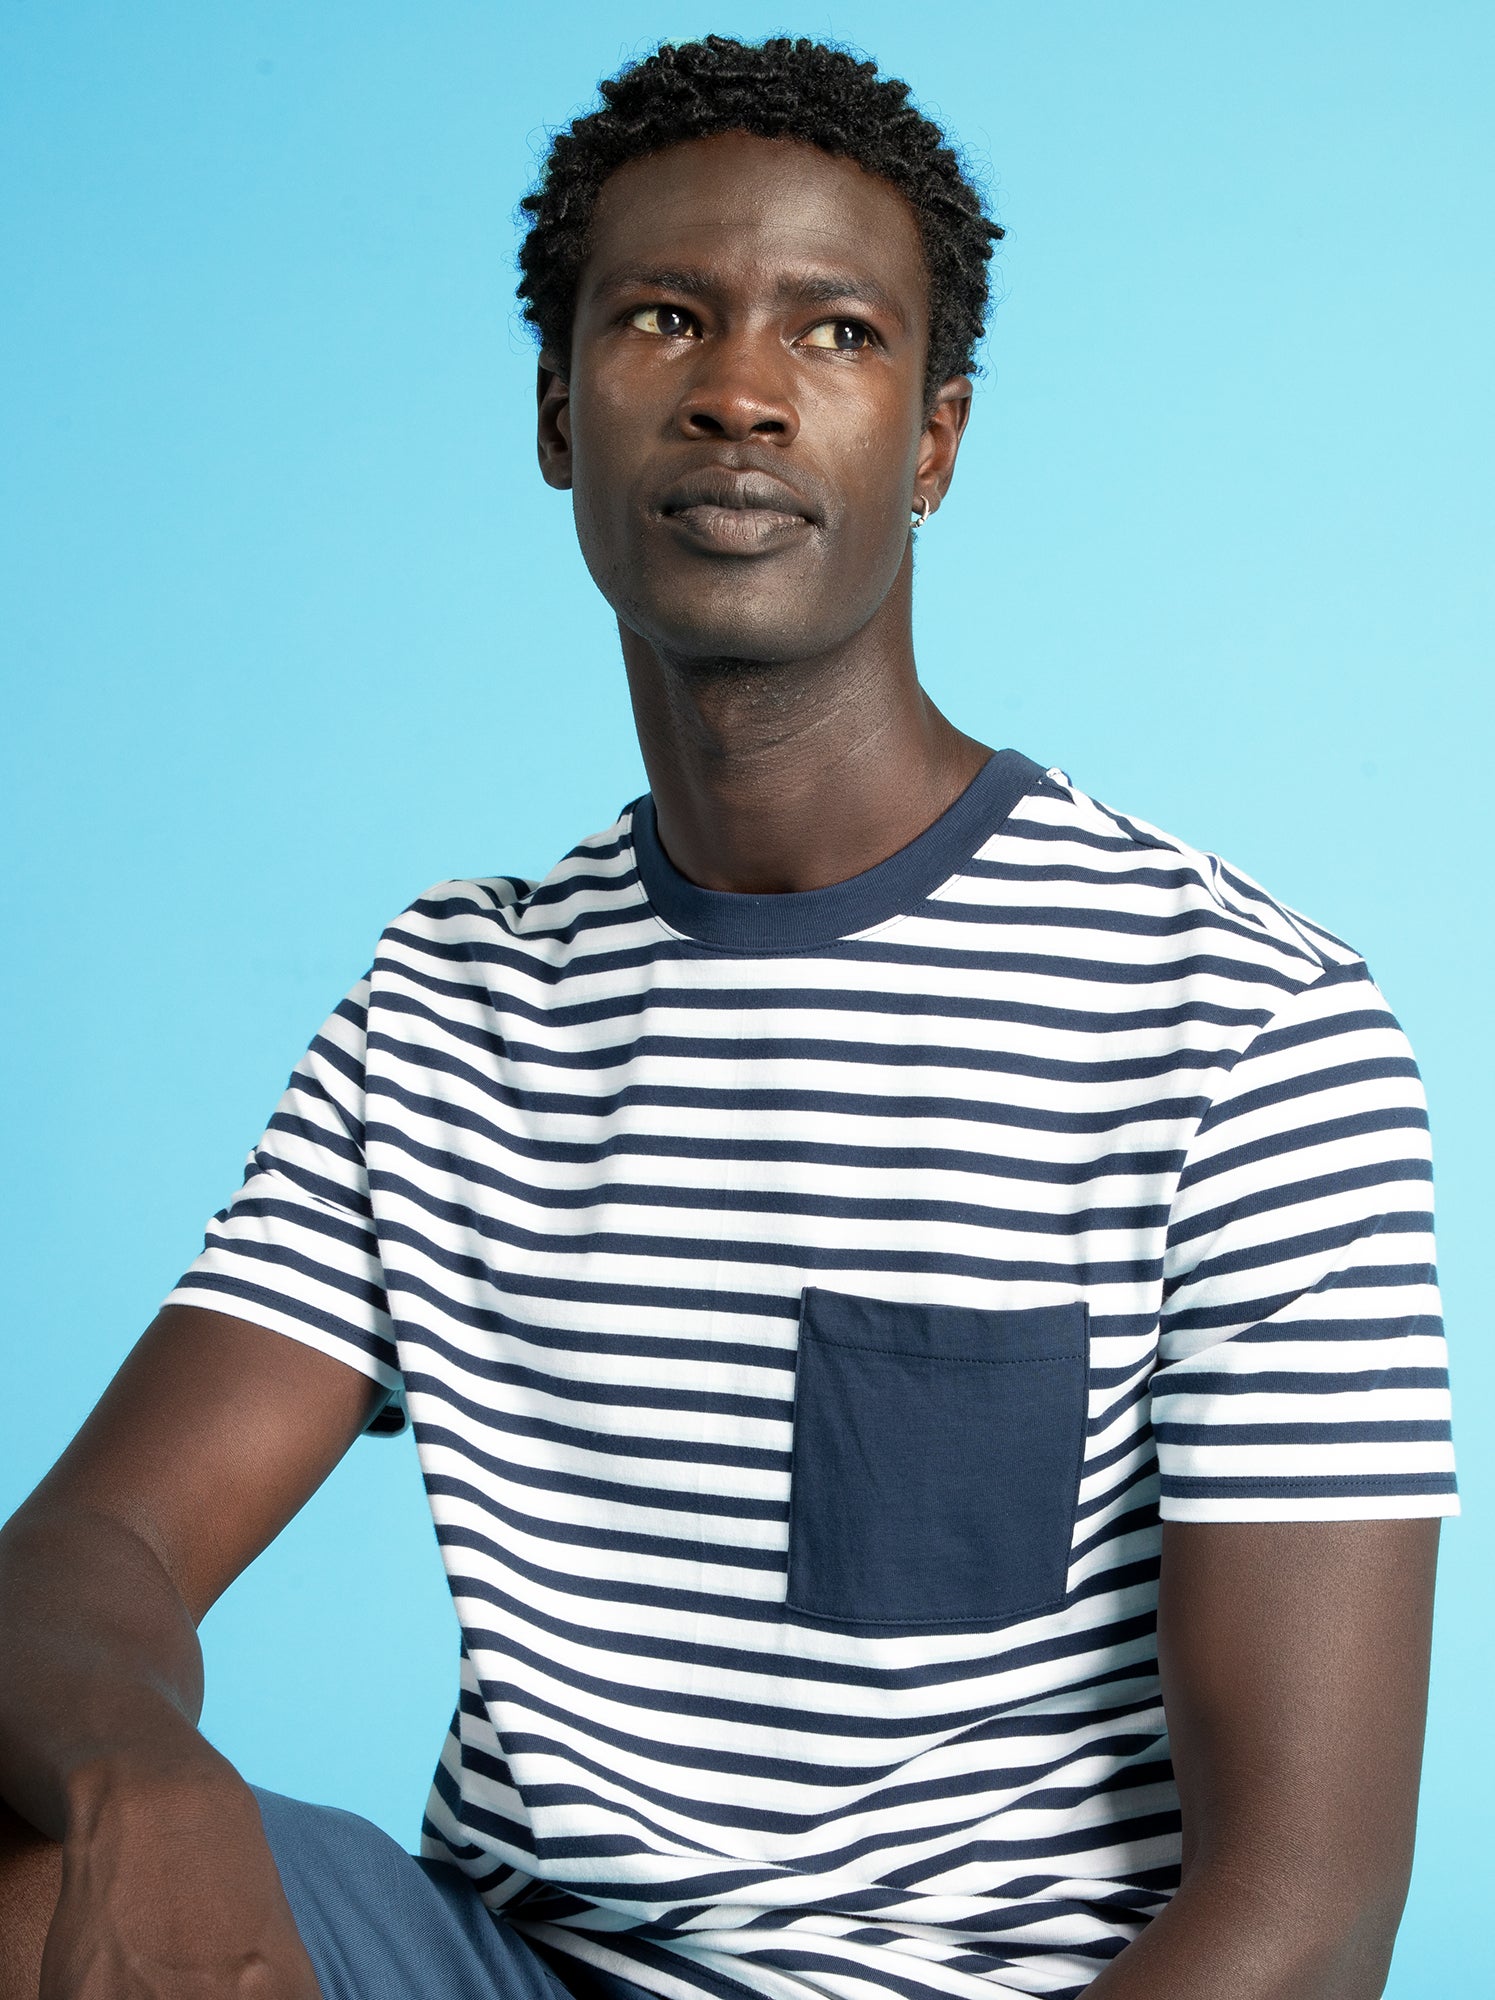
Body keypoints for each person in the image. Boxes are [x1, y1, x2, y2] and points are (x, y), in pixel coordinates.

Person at [0, 33, 1457, 2000]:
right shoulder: (448, 1001)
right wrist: (130, 1776)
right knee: (33, 1845)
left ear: (933, 444)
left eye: (836, 334)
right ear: (558, 412)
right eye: (665, 318)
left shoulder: (1241, 1026)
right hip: (508, 1966)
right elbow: (84, 1559)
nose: (741, 393)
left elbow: (1304, 1921)